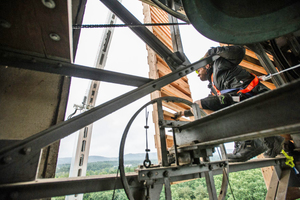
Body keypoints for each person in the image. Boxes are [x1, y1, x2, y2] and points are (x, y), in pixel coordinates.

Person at [175, 45, 284, 162]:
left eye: (198, 69)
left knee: (201, 103)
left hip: (250, 95)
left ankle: (250, 142)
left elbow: (239, 51)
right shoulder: (214, 87)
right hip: (237, 99)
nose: (197, 74)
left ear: (206, 65)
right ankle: (269, 139)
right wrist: (182, 113)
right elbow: (204, 106)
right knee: (200, 105)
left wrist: (213, 52)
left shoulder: (220, 64)